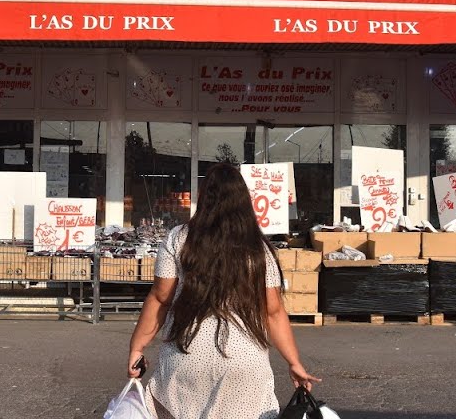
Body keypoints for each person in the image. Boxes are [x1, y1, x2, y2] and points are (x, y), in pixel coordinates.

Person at [127, 163, 319, 419]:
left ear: (202, 198)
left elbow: (161, 298)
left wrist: (137, 348)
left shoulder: (178, 238)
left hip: (186, 359)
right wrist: (294, 362)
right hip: (245, 364)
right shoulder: (259, 249)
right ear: (244, 201)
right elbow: (272, 312)